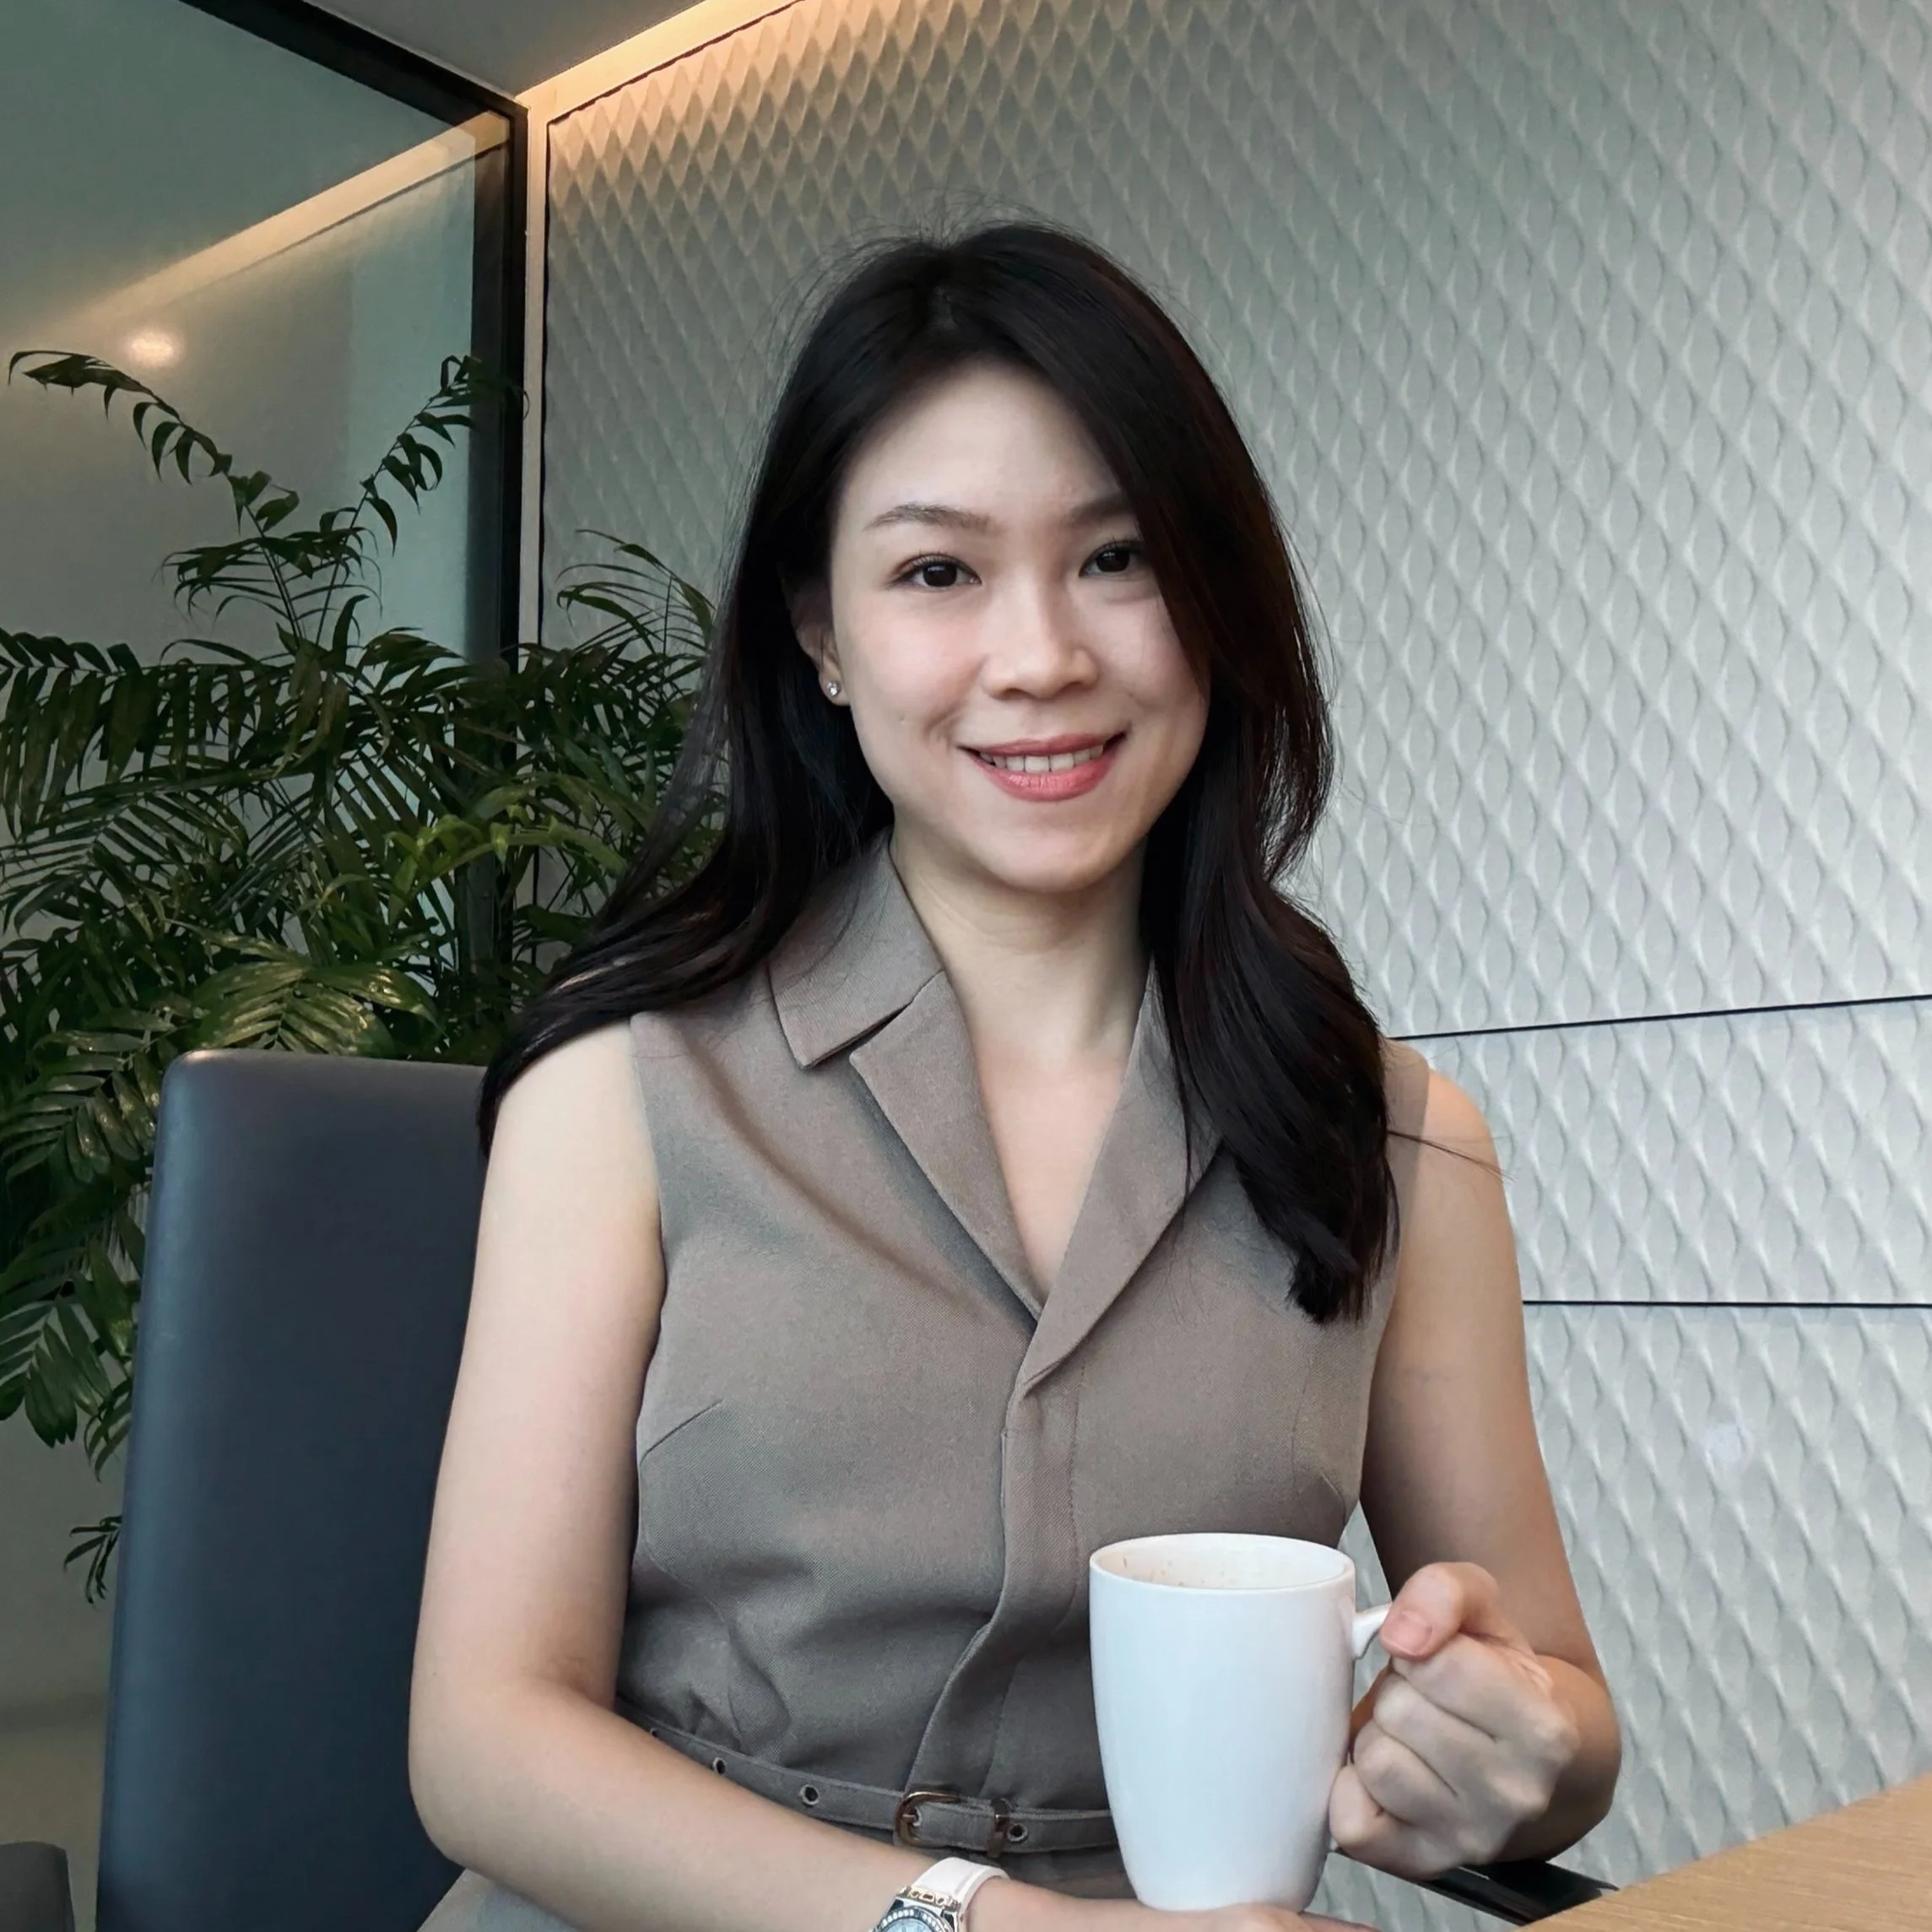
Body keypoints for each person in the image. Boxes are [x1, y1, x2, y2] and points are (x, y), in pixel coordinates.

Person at [409, 220, 1621, 1932]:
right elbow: (481, 1742)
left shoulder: (1399, 1141)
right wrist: (983, 1923)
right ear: (820, 634)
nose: (1042, 654)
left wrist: (1514, 1747)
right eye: (938, 572)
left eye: (1116, 557)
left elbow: (1560, 1718)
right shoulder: (621, 1092)